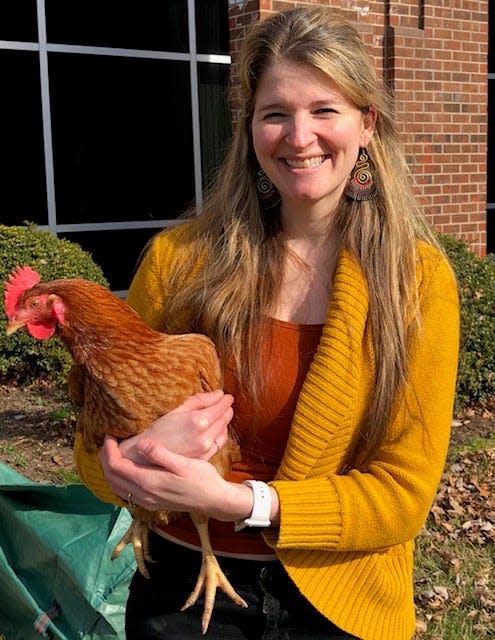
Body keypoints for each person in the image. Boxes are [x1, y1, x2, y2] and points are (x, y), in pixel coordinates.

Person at [74, 6, 460, 640]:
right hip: (182, 589)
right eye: (275, 113)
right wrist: (125, 468)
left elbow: (403, 493)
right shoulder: (181, 262)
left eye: (325, 110)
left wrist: (241, 503)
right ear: (250, 128)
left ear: (366, 125)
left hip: (339, 598)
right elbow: (92, 441)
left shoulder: (414, 282)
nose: (299, 136)